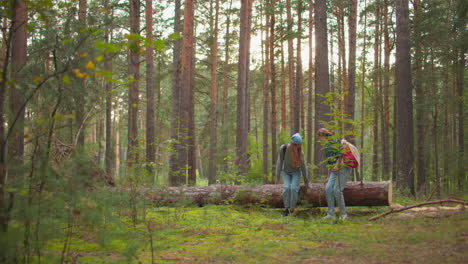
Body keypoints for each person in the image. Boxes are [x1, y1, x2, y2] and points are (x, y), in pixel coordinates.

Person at [316, 128, 352, 220]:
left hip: (344, 168)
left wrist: (337, 165)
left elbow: (341, 153)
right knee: (328, 188)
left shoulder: (334, 139)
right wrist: (328, 176)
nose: (319, 140)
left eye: (319, 137)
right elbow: (329, 162)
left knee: (337, 190)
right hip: (334, 170)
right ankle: (331, 213)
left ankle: (344, 214)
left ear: (323, 135)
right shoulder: (326, 145)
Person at [275, 133, 309, 217]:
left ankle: (292, 210)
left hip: (296, 173)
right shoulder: (283, 148)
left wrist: (306, 182)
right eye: (297, 145)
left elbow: (303, 167)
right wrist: (277, 177)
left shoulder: (300, 152)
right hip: (286, 172)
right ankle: (286, 209)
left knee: (294, 188)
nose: (298, 147)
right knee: (286, 188)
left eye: (299, 145)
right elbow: (279, 163)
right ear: (293, 144)